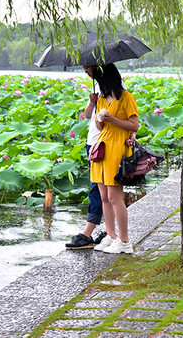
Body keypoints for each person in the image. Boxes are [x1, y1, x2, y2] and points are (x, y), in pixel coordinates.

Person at [90, 63, 139, 254]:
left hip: (117, 148)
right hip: (101, 148)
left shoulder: (126, 98)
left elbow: (133, 125)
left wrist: (112, 120)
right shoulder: (101, 99)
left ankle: (125, 241)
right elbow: (102, 128)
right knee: (103, 196)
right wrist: (100, 121)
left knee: (114, 196)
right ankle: (111, 237)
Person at [65, 64, 107, 249]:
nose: (84, 70)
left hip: (102, 143)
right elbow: (87, 115)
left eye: (87, 66)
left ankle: (87, 233)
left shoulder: (111, 89)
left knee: (98, 188)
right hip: (91, 143)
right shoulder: (97, 88)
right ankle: (108, 232)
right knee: (99, 188)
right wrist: (92, 101)